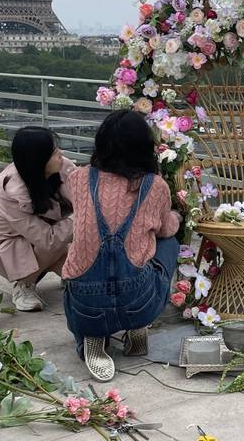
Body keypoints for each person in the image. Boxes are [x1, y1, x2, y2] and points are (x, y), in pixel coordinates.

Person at [62, 110, 180, 381]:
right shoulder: (155, 186)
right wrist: (176, 216)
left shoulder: (79, 178)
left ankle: (90, 336)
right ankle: (136, 325)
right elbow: (165, 228)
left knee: (88, 261)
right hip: (138, 299)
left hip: (84, 304)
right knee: (168, 242)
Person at [0, 127, 76, 312]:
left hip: (52, 236)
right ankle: (24, 285)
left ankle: (70, 273)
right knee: (54, 240)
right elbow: (46, 239)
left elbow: (85, 196)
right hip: (12, 246)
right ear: (38, 160)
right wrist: (79, 218)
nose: (61, 154)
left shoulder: (61, 166)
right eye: (54, 152)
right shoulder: (12, 190)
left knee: (88, 276)